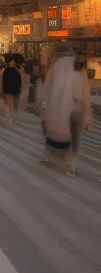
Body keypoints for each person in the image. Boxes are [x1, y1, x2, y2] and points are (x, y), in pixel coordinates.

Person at [40, 45, 89, 176]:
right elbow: (84, 93)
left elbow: (47, 88)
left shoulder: (54, 66)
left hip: (56, 108)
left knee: (56, 133)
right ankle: (69, 162)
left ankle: (58, 158)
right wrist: (88, 114)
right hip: (74, 108)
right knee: (72, 135)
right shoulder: (78, 67)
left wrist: (43, 103)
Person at [2, 57, 22, 125]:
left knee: (9, 105)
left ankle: (9, 119)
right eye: (12, 62)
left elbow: (4, 82)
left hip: (9, 91)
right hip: (13, 91)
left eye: (13, 62)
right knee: (13, 105)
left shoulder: (6, 71)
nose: (13, 63)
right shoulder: (16, 72)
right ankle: (11, 118)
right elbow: (19, 82)